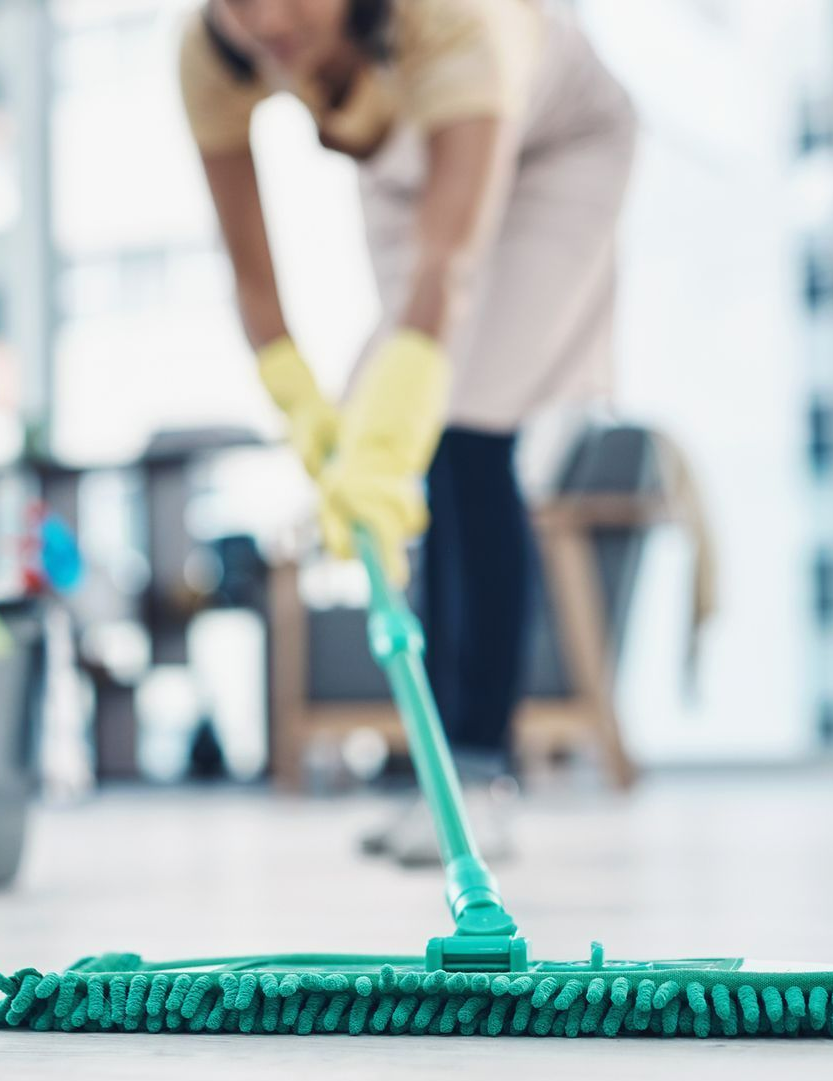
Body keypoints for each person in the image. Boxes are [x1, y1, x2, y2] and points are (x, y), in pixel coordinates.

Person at [179, 0, 636, 863]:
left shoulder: (455, 16)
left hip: (558, 150)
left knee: (466, 419)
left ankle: (479, 770)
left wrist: (394, 415)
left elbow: (448, 269)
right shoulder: (214, 53)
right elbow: (252, 279)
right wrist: (306, 407)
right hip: (417, 162)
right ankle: (434, 776)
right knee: (413, 455)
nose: (266, 19)